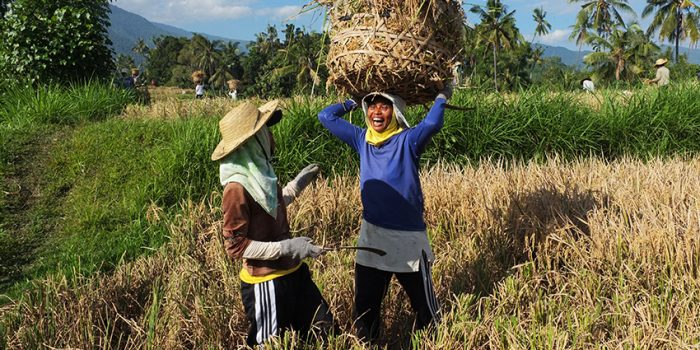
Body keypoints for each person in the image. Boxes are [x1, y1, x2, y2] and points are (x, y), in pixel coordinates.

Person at [317, 86, 451, 343]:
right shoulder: (362, 140)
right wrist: (352, 101)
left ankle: (432, 344)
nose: (377, 112)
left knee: (425, 308)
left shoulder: (408, 140)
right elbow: (326, 117)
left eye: (384, 106)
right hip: (372, 237)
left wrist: (443, 95)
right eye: (372, 106)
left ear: (396, 111)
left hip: (407, 240)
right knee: (366, 307)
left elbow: (433, 122)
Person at [212, 100, 335, 347]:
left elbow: (268, 209)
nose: (271, 136)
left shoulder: (260, 172)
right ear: (252, 141)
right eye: (265, 131)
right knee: (270, 344)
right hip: (266, 282)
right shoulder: (236, 188)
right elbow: (235, 247)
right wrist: (288, 247)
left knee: (325, 333)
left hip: (293, 273)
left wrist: (295, 186)